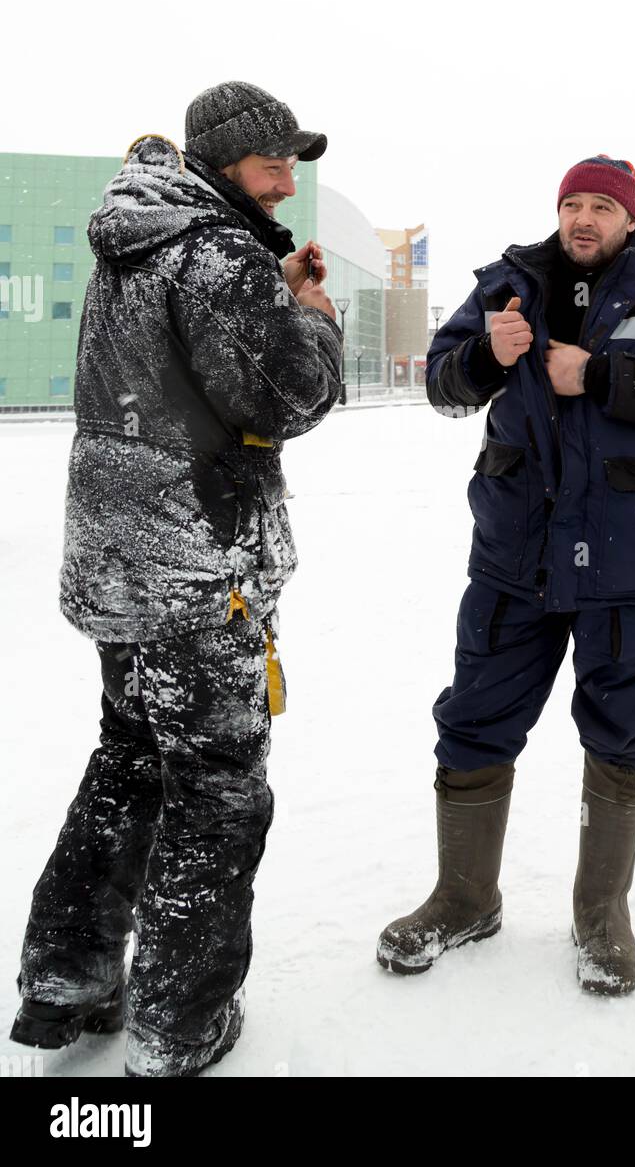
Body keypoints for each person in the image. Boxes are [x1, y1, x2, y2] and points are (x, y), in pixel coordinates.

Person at [10, 81, 343, 1075]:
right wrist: (311, 315)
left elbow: (174, 371)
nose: (286, 181)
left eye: (293, 162)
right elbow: (287, 394)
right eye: (269, 161)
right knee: (216, 791)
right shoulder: (216, 253)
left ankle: (66, 983)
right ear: (221, 162)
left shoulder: (136, 242)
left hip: (119, 563)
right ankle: (179, 1022)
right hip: (198, 571)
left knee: (130, 759)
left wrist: (268, 289)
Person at [377, 154, 635, 994]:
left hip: (629, 565)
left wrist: (603, 375)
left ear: (628, 219)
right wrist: (484, 354)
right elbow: (443, 383)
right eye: (572, 203)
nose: (583, 218)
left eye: (601, 207)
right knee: (474, 718)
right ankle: (465, 896)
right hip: (517, 554)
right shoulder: (510, 282)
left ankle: (600, 913)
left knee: (624, 732)